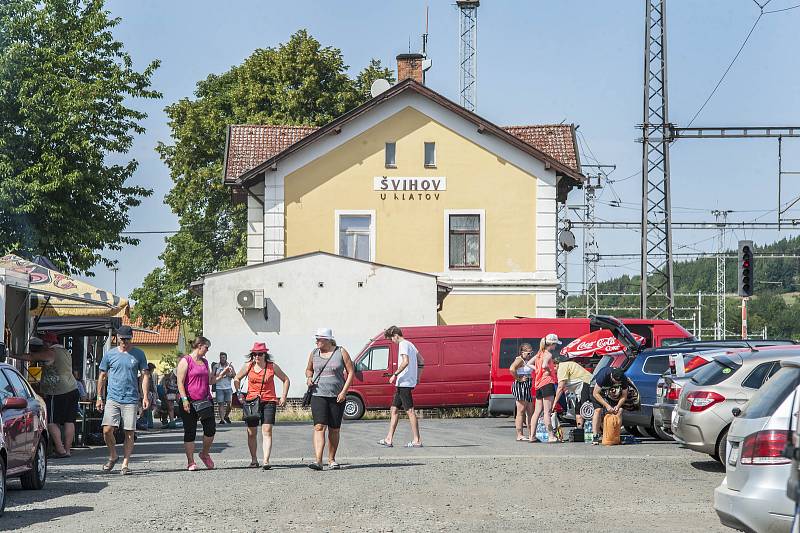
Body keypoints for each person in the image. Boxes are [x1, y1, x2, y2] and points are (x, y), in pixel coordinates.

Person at [96, 325, 151, 475]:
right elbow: (102, 376)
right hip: (113, 397)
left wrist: (145, 396)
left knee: (129, 431)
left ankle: (125, 464)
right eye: (121, 339)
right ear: (117, 338)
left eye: (127, 339)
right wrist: (99, 397)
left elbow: (145, 376)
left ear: (131, 338)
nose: (124, 342)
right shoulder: (110, 354)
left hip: (131, 398)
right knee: (107, 430)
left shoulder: (138, 354)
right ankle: (113, 455)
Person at [15, 333, 79, 458]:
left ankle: (60, 449)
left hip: (58, 391)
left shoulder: (51, 352)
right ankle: (67, 450)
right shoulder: (65, 351)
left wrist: (12, 355)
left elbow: (32, 357)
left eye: (44, 343)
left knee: (50, 420)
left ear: (47, 343)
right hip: (72, 389)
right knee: (69, 421)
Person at [233, 342, 289, 469]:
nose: (257, 356)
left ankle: (266, 461)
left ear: (265, 355)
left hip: (269, 401)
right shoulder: (248, 366)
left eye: (260, 354)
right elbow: (237, 378)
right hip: (252, 402)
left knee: (267, 430)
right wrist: (239, 393)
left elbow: (286, 379)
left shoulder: (272, 366)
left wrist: (284, 396)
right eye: (254, 354)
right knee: (251, 432)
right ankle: (254, 460)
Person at [304, 328, 355, 471]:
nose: (316, 341)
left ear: (327, 339)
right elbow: (309, 369)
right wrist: (309, 378)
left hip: (337, 396)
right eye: (316, 339)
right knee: (319, 427)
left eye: (319, 339)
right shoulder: (314, 353)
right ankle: (318, 461)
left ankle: (331, 459)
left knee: (334, 429)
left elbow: (351, 372)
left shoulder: (341, 351)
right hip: (318, 395)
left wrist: (344, 391)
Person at [377, 326, 424, 448]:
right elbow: (421, 361)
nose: (392, 341)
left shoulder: (403, 344)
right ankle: (389, 439)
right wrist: (418, 377)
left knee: (410, 411)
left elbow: (405, 361)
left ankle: (417, 440)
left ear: (396, 335)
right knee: (394, 409)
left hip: (404, 383)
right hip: (403, 383)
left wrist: (394, 374)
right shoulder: (410, 344)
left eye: (391, 339)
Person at [176, 336, 217, 471]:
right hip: (189, 400)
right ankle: (191, 461)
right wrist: (184, 399)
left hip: (205, 400)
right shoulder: (185, 360)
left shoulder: (205, 362)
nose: (207, 350)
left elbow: (209, 381)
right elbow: (180, 382)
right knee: (190, 431)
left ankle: (204, 454)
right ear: (199, 346)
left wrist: (221, 375)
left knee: (210, 429)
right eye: (206, 347)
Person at [530, 333, 560, 443]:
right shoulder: (548, 354)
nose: (556, 346)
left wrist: (537, 370)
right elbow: (544, 366)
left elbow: (529, 363)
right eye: (555, 344)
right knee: (547, 412)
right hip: (547, 383)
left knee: (537, 411)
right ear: (551, 344)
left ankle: (531, 436)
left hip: (538, 384)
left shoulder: (539, 354)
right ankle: (551, 436)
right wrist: (548, 370)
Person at [590, 366, 631, 445]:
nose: (616, 382)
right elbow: (595, 394)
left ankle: (616, 436)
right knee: (598, 410)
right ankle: (595, 436)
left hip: (610, 389)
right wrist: (607, 406)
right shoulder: (604, 375)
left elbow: (624, 395)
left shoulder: (623, 378)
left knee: (619, 411)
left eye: (618, 382)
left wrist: (618, 406)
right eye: (615, 380)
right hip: (596, 389)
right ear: (611, 375)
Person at [552, 354, 593, 429]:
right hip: (580, 388)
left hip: (586, 383)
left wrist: (554, 403)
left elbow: (560, 387)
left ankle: (593, 430)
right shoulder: (566, 365)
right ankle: (580, 429)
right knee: (578, 409)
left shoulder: (561, 367)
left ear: (555, 365)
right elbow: (571, 379)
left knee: (586, 409)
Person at [508, 343, 534, 441]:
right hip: (520, 386)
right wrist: (518, 378)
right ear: (522, 352)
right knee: (521, 411)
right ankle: (519, 434)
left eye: (531, 353)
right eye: (528, 353)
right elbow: (511, 369)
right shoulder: (519, 359)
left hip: (527, 386)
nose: (530, 355)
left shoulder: (527, 360)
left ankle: (532, 433)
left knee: (530, 411)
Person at [213, 352, 235, 424]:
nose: (222, 359)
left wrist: (229, 374)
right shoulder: (216, 366)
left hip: (228, 387)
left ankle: (226, 416)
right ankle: (222, 419)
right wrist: (221, 374)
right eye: (221, 357)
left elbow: (234, 375)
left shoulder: (230, 366)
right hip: (219, 387)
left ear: (226, 358)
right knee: (221, 404)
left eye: (223, 357)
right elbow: (212, 376)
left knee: (230, 404)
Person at [137, 363, 158, 430]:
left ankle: (146, 423)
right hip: (145, 394)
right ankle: (143, 423)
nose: (153, 371)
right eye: (152, 370)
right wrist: (142, 395)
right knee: (144, 409)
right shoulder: (144, 376)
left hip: (148, 394)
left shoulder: (149, 376)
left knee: (146, 409)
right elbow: (140, 385)